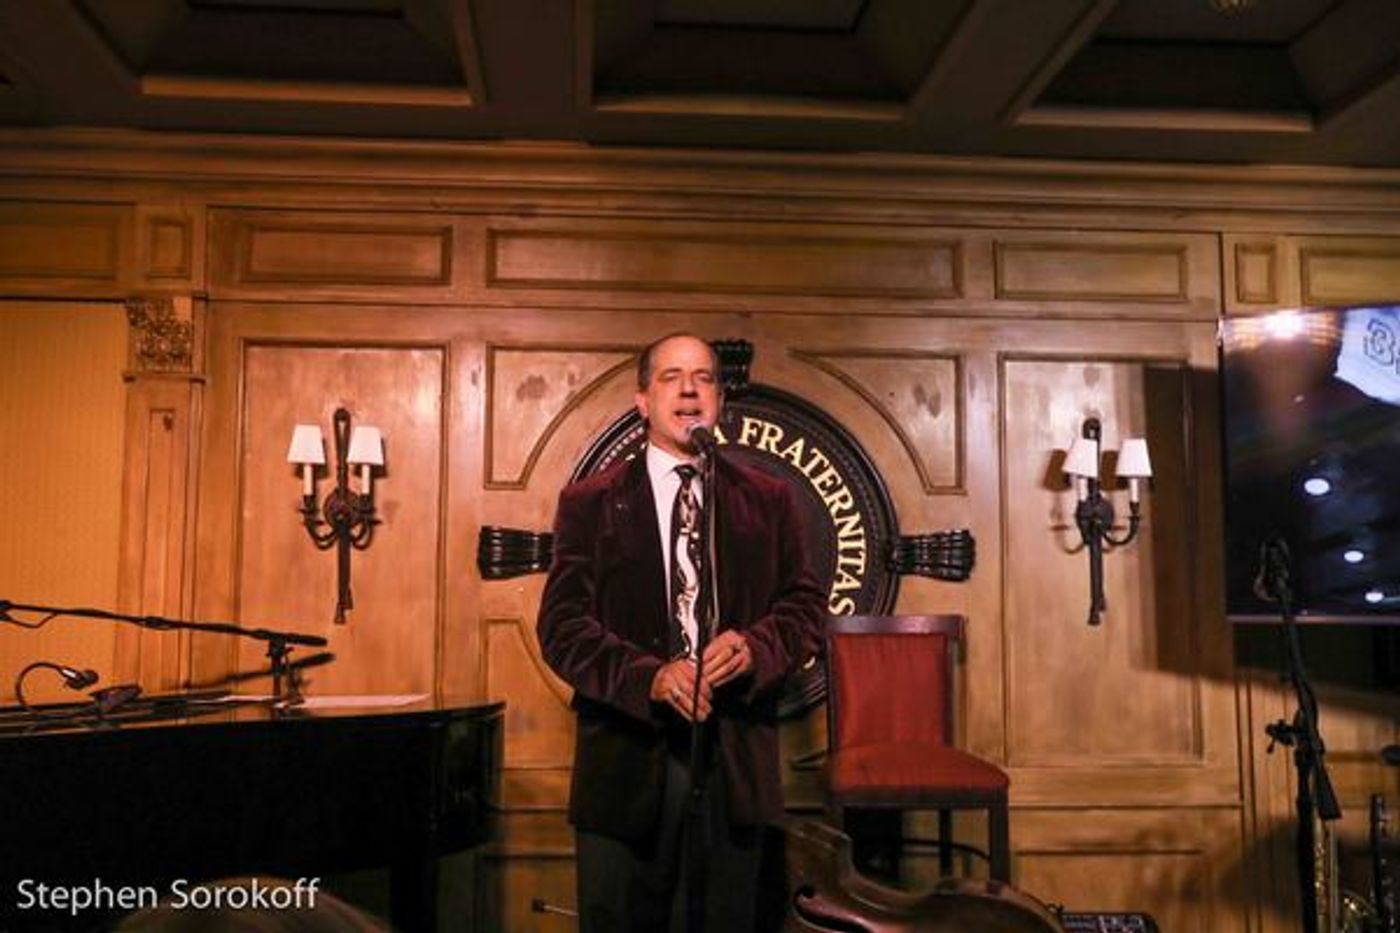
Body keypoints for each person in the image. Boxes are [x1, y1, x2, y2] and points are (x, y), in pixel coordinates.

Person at [537, 333, 826, 932]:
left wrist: (754, 649)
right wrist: (651, 676)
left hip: (735, 766)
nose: (690, 390)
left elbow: (804, 610)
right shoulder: (589, 503)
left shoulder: (770, 499)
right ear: (643, 400)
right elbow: (562, 627)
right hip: (625, 768)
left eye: (703, 378)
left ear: (719, 400)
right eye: (671, 377)